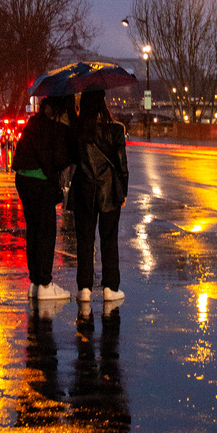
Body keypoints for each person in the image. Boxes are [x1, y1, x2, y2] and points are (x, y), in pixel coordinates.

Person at [71, 89, 129, 310]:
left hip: (84, 189)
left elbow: (73, 159)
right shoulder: (115, 130)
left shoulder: (77, 130)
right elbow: (122, 165)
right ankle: (110, 288)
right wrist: (122, 191)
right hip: (109, 189)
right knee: (109, 239)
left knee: (84, 239)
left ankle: (84, 288)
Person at [12, 97, 73, 302]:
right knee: (46, 232)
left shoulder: (33, 124)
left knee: (33, 231)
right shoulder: (55, 128)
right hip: (41, 183)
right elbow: (59, 160)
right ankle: (46, 284)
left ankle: (35, 281)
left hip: (23, 179)